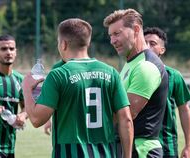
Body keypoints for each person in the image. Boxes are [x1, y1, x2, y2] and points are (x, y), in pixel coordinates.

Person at [22, 18, 134, 158]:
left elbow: (36, 119)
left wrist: (26, 88)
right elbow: (126, 120)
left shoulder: (58, 75)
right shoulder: (111, 73)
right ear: (87, 42)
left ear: (63, 44)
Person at [103, 9, 168, 158]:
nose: (112, 41)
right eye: (110, 36)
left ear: (136, 30)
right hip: (128, 148)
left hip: (141, 150)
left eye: (117, 33)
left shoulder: (146, 66)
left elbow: (126, 114)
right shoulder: (131, 63)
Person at [144, 27, 190, 158]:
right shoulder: (131, 73)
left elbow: (184, 110)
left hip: (167, 146)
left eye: (152, 43)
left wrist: (188, 146)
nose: (147, 47)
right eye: (144, 43)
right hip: (139, 146)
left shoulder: (174, 76)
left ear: (162, 50)